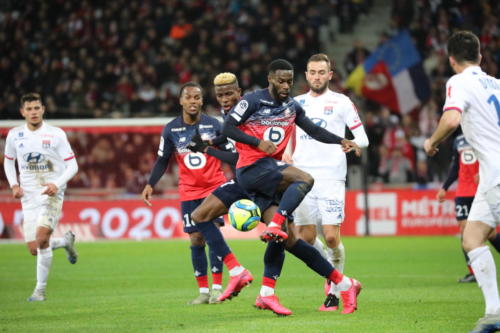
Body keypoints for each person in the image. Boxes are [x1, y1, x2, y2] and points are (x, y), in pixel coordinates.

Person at [220, 59, 362, 315]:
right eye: (281, 80)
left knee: (286, 240)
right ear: (270, 79)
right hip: (251, 169)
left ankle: (340, 283)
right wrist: (256, 142)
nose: (286, 85)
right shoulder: (252, 101)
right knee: (305, 179)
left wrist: (341, 139)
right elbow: (227, 126)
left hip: (270, 176)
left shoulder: (292, 106)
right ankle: (276, 222)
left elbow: (315, 131)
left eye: (289, 81)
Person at [424, 30, 500, 333]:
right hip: (489, 176)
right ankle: (494, 312)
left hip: (495, 171)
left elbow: (452, 119)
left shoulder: (458, 81)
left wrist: (432, 141)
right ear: (480, 57)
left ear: (451, 60)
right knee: (472, 239)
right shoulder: (496, 83)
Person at [288, 53, 369, 310]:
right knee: (307, 238)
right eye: (312, 72)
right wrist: (285, 153)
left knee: (332, 238)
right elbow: (285, 135)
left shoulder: (341, 101)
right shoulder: (296, 103)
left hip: (331, 176)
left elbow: (363, 137)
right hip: (301, 176)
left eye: (321, 72)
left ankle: (335, 291)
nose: (316, 77)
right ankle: (343, 281)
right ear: (306, 75)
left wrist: (355, 144)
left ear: (330, 75)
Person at [141, 82, 228, 305]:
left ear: (202, 101)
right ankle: (203, 292)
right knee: (196, 238)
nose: (193, 101)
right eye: (188, 97)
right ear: (180, 101)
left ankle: (218, 289)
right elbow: (162, 160)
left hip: (214, 187)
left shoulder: (214, 125)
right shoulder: (171, 129)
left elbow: (230, 152)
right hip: (189, 190)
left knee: (214, 234)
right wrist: (151, 184)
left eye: (197, 97)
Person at [3, 93, 79, 302]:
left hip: (51, 193)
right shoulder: (14, 135)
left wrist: (57, 184)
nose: (33, 112)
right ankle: (64, 243)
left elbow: (73, 165)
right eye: (29, 109)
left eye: (37, 108)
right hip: (28, 195)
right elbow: (9, 162)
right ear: (22, 112)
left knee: (41, 238)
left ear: (43, 109)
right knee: (34, 249)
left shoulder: (55, 134)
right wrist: (14, 184)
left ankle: (40, 291)